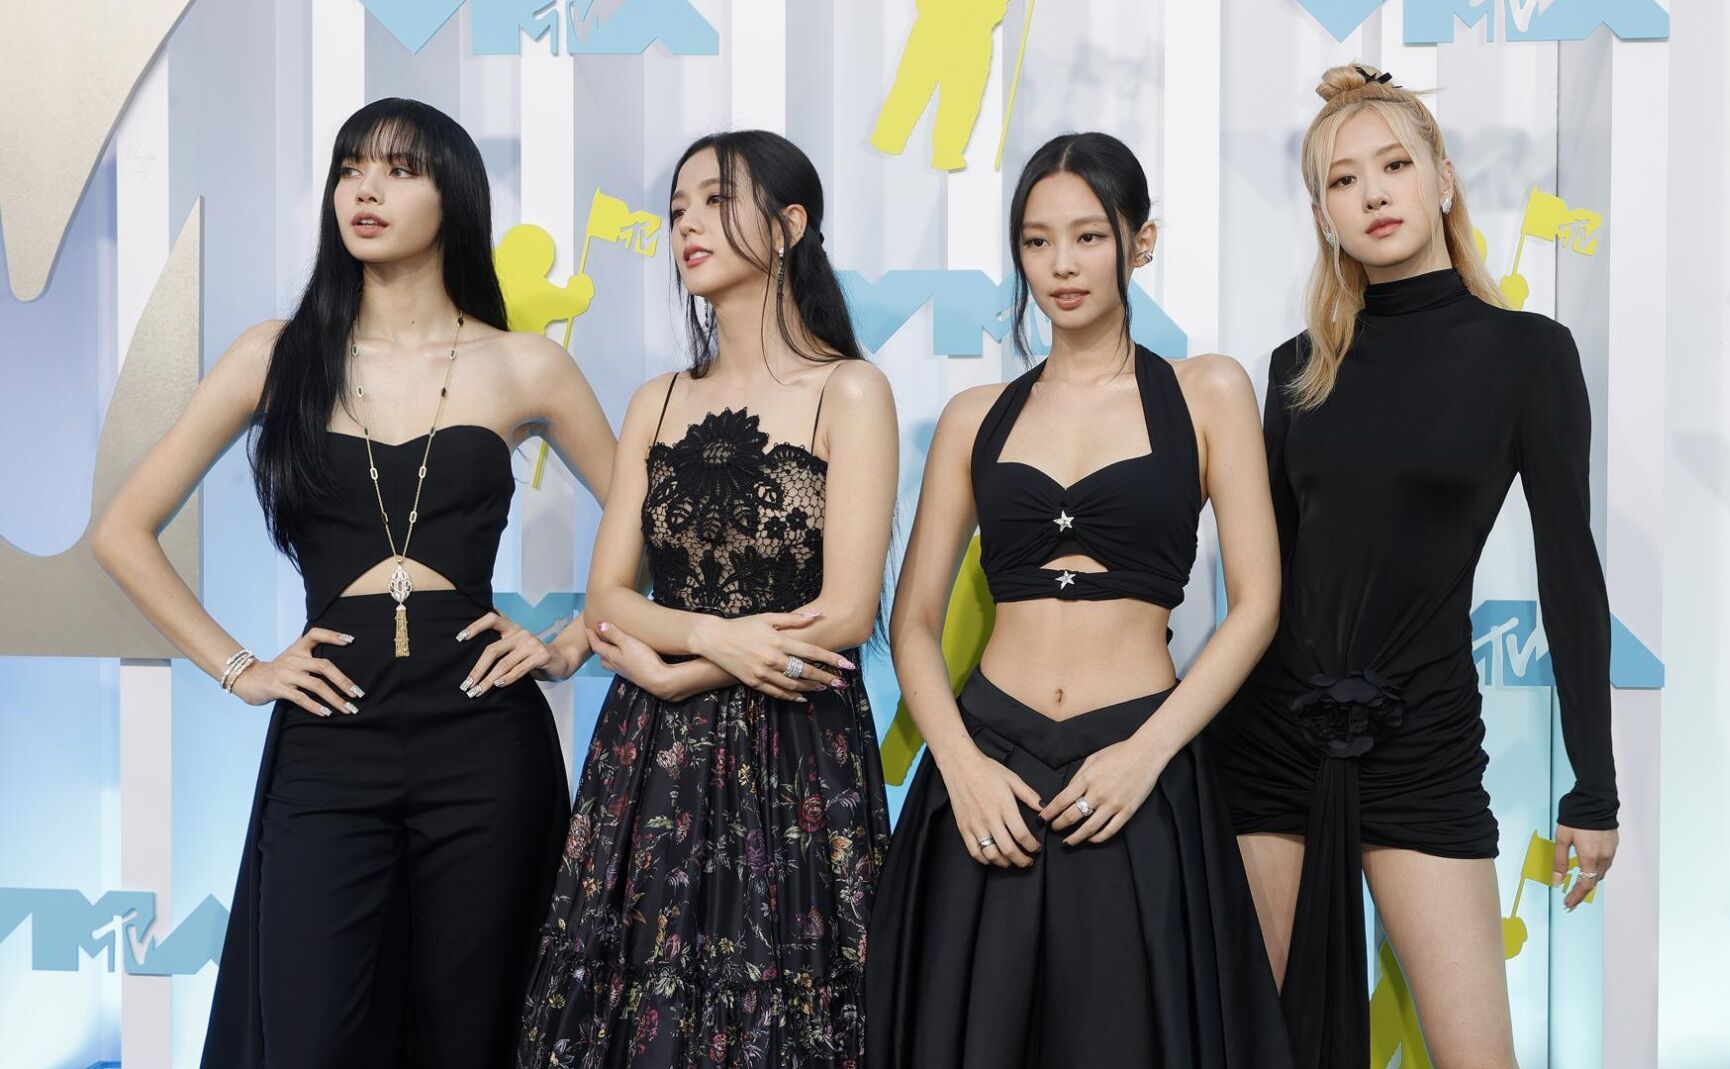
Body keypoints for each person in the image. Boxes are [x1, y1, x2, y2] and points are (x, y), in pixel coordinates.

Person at [92, 97, 618, 1066]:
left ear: (453, 196)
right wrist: (242, 668)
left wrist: (571, 642)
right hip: (331, 739)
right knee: (311, 1033)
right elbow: (122, 530)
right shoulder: (278, 353)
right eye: (349, 168)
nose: (365, 189)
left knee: (474, 1032)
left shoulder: (524, 365)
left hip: (482, 739)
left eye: (398, 169)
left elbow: (651, 528)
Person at [1210, 64, 1622, 1069]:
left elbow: (1570, 576)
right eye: (1343, 180)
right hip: (1271, 742)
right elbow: (1262, 583)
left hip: (1422, 739)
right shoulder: (1295, 368)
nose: (1374, 193)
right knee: (1251, 1049)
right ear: (1322, 215)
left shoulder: (1529, 355)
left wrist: (1594, 788)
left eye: (1394, 165)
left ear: (1443, 180)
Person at [867, 131, 1294, 1069]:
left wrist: (1148, 751)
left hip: (1136, 768)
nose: (1061, 264)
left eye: (1088, 236)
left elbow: (1258, 603)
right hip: (990, 776)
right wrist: (962, 766)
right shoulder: (976, 416)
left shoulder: (1208, 392)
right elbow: (914, 622)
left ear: (1141, 242)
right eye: (1037, 240)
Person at [516, 130, 898, 1068]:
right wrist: (714, 643)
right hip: (652, 759)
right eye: (678, 208)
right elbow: (609, 595)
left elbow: (848, 612)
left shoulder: (850, 391)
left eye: (717, 200)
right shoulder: (657, 400)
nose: (687, 224)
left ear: (790, 225)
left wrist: (680, 672)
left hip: (799, 745)